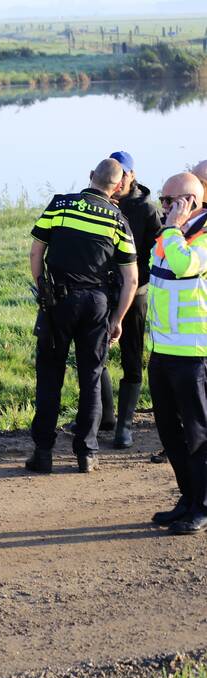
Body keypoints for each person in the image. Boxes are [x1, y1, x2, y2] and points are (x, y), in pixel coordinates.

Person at [27, 159, 138, 474]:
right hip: (97, 305)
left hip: (58, 303)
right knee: (91, 378)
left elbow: (36, 252)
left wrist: (41, 290)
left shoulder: (60, 205)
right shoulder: (118, 220)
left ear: (91, 177)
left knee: (50, 377)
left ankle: (43, 453)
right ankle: (86, 454)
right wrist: (117, 318)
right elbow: (131, 279)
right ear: (117, 187)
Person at [147, 172, 207, 534]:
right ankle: (187, 498)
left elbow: (184, 266)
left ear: (192, 203)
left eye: (171, 201)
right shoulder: (173, 235)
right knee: (169, 432)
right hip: (163, 351)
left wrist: (172, 227)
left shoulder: (199, 239)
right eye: (163, 199)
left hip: (194, 354)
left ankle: (202, 506)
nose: (164, 207)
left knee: (198, 435)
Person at [103, 151, 163, 448]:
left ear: (132, 175)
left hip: (134, 293)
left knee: (131, 356)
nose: (119, 181)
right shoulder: (100, 202)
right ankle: (104, 416)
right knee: (95, 354)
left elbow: (159, 249)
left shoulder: (147, 210)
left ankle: (124, 427)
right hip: (102, 292)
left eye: (124, 175)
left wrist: (141, 277)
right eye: (115, 175)